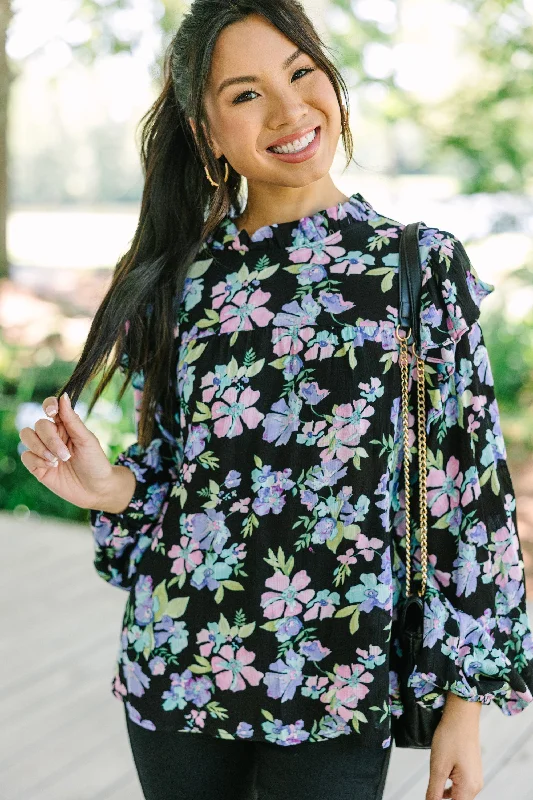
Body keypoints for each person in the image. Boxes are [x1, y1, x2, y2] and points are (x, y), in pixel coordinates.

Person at [19, 1, 533, 799]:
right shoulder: (185, 279)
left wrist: (462, 708)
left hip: (339, 681)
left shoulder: (415, 266)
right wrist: (107, 488)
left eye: (300, 72)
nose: (290, 110)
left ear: (330, 77)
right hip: (181, 669)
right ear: (205, 130)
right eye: (246, 93)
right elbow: (170, 486)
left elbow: (469, 500)